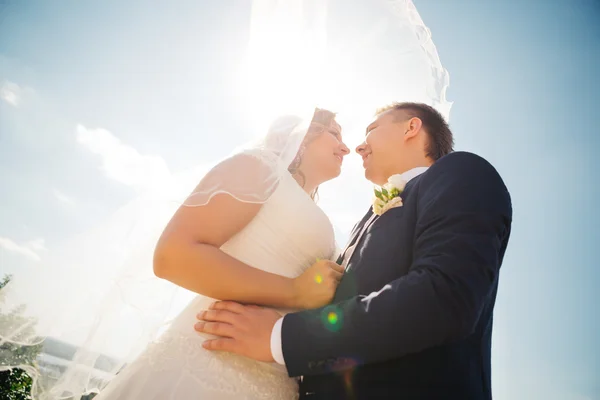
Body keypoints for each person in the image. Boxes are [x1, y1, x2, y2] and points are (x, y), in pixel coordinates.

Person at [195, 102, 513, 399]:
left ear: (411, 128)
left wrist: (280, 337)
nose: (358, 146)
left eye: (371, 130)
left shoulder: (460, 171)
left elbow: (445, 296)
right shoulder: (363, 221)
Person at [93, 108, 350, 400]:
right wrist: (294, 291)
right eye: (335, 133)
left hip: (275, 375)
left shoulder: (316, 214)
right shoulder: (258, 167)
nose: (346, 147)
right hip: (209, 362)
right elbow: (173, 256)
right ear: (303, 134)